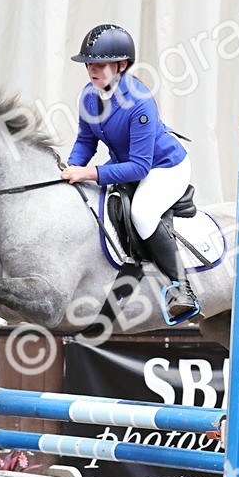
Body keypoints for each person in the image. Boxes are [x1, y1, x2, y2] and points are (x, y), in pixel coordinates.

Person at [60, 23, 198, 322]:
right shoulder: (88, 96)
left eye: (100, 65)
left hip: (164, 167)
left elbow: (140, 167)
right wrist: (73, 169)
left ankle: (182, 289)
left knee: (143, 213)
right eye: (88, 65)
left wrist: (88, 173)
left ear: (121, 65)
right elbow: (86, 140)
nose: (91, 71)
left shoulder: (140, 102)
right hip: (126, 162)